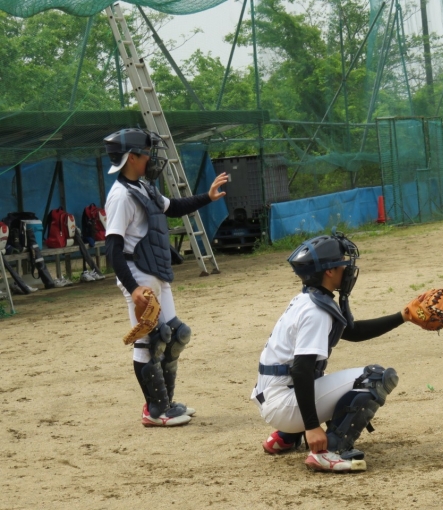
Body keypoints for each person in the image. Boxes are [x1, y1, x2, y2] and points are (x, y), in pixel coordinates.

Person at [251, 231, 406, 472]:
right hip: (284, 403)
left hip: (275, 396)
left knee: (323, 379)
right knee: (375, 378)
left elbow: (352, 332)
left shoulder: (307, 299)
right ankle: (328, 451)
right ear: (329, 271)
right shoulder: (316, 312)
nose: (348, 268)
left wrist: (403, 316)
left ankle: (286, 436)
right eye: (343, 263)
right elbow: (301, 370)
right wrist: (312, 427)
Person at [104, 128, 228, 427]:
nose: (151, 158)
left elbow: (173, 207)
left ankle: (167, 403)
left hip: (156, 273)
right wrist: (133, 288)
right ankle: (154, 410)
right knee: (149, 341)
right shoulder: (120, 196)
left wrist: (207, 197)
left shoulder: (144, 187)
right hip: (138, 275)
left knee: (175, 334)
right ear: (131, 158)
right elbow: (113, 248)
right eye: (146, 153)